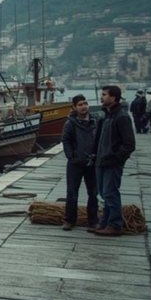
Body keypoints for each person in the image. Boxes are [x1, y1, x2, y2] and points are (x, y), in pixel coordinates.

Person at [92, 86, 136, 236]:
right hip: (100, 161)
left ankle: (115, 224)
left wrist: (117, 159)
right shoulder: (106, 115)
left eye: (104, 95)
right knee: (104, 194)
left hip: (111, 162)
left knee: (111, 193)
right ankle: (105, 221)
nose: (101, 97)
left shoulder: (121, 117)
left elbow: (129, 144)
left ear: (114, 98)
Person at [60, 94, 98, 231]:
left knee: (93, 193)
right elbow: (66, 140)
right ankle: (69, 220)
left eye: (85, 103)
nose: (84, 107)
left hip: (92, 163)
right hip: (75, 163)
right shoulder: (70, 123)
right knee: (72, 192)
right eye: (80, 104)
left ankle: (93, 221)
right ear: (74, 107)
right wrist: (71, 156)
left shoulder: (96, 121)